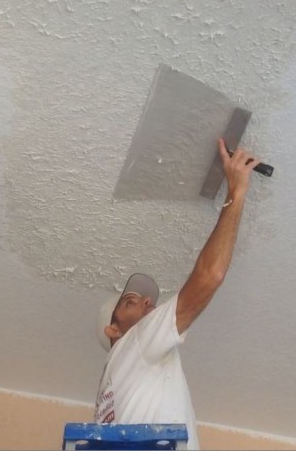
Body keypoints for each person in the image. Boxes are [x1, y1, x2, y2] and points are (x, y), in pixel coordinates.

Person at [93, 138, 262, 450]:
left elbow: (209, 277)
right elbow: (209, 276)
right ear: (113, 330)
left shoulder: (113, 386)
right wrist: (236, 192)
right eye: (131, 301)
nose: (148, 302)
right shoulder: (134, 343)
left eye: (145, 299)